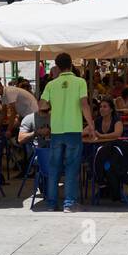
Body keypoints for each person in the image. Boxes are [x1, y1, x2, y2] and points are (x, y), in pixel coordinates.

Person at [39, 53, 93, 213]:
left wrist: (50, 109)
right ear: (71, 65)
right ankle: (69, 203)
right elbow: (84, 104)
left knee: (54, 167)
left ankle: (51, 203)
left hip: (56, 130)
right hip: (73, 129)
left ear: (56, 66)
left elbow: (41, 106)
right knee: (71, 167)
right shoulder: (80, 82)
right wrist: (91, 124)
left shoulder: (51, 84)